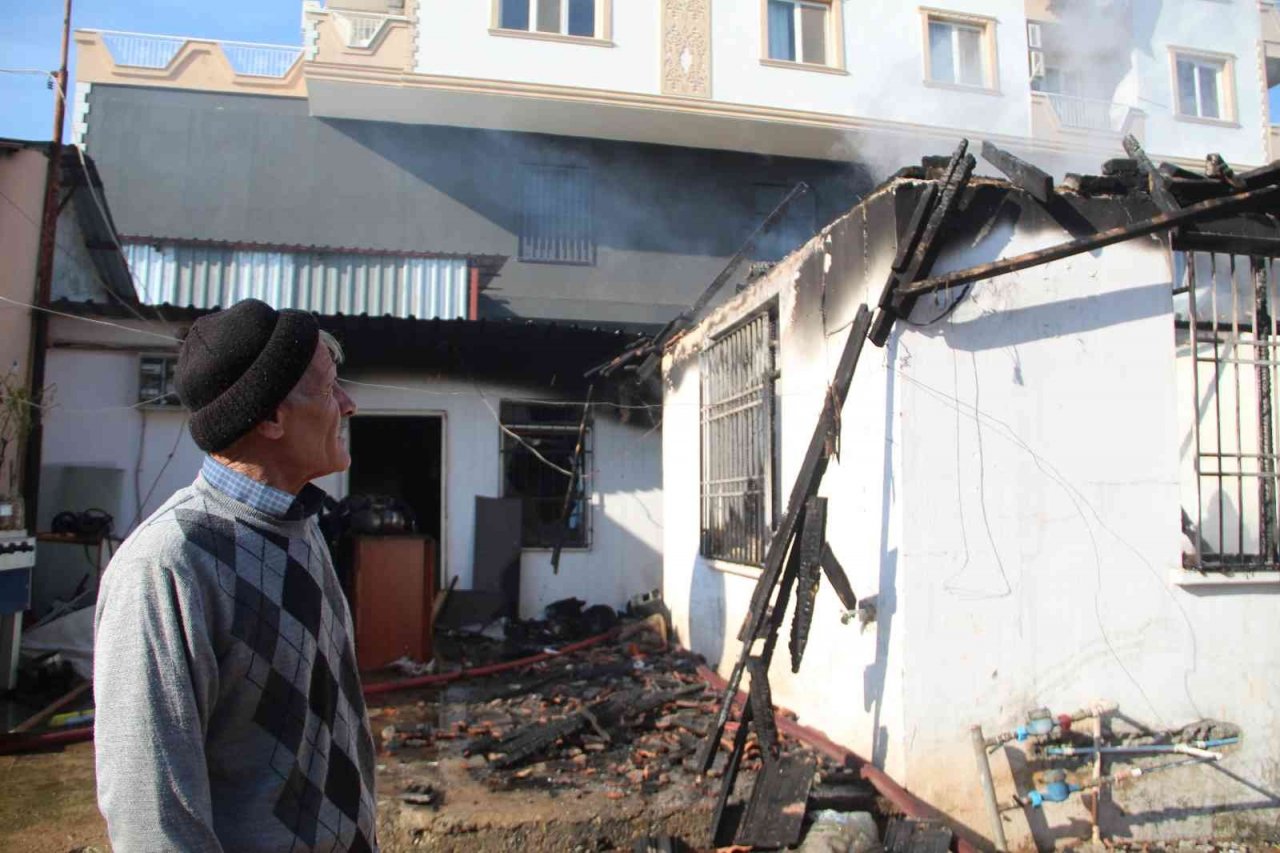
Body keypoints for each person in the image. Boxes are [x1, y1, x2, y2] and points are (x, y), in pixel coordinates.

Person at [94, 298, 377, 852]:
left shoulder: (300, 529)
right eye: (328, 389)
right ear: (270, 417)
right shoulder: (167, 565)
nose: (348, 405)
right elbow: (151, 816)